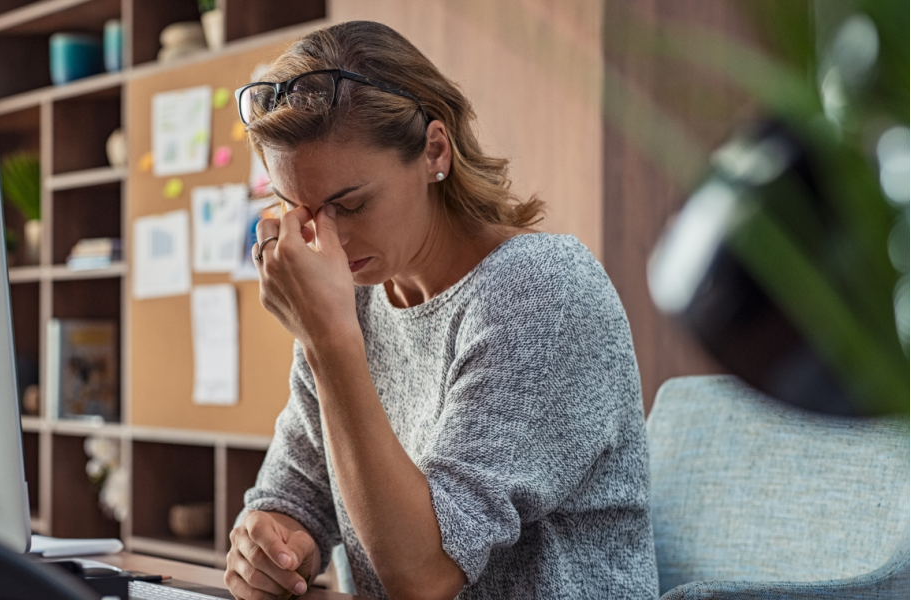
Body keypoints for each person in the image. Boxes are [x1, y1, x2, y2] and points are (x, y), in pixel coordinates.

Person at [226, 20, 657, 600]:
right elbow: (297, 495)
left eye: (349, 204)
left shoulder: (541, 293)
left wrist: (329, 340)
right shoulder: (353, 299)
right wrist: (271, 545)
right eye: (298, 208)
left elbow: (424, 574)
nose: (323, 240)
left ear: (435, 151)